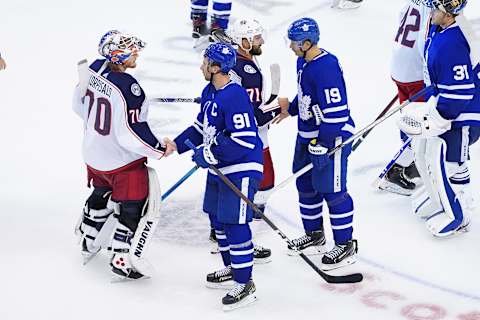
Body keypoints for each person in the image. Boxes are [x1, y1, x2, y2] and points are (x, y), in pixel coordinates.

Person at [72, 30, 175, 279]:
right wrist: (160, 148)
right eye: (131, 49)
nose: (136, 52)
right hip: (121, 163)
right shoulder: (129, 87)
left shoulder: (94, 68)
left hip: (93, 155)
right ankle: (121, 259)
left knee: (100, 193)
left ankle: (88, 236)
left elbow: (77, 105)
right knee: (134, 208)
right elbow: (131, 132)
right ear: (118, 55)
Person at [170, 43, 261, 310]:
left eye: (205, 62)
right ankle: (233, 268)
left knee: (234, 223)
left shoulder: (235, 96)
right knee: (217, 220)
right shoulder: (210, 90)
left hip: (241, 169)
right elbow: (201, 127)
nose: (201, 66)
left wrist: (212, 152)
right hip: (219, 167)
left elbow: (244, 141)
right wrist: (176, 144)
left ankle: (245, 283)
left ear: (216, 67)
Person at [275, 18, 358, 270]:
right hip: (307, 135)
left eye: (294, 41)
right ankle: (314, 235)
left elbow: (337, 111)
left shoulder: (326, 67)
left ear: (307, 43)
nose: (290, 46)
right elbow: (307, 95)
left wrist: (324, 142)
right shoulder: (302, 60)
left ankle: (345, 245)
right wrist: (291, 109)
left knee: (332, 191)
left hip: (330, 137)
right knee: (305, 185)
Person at [398, 0, 480, 237]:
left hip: (464, 114)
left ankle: (459, 213)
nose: (430, 12)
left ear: (448, 15)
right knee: (424, 153)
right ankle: (440, 199)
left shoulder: (453, 42)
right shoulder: (439, 30)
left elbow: (461, 92)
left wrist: (439, 116)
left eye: (435, 9)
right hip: (445, 105)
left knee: (446, 161)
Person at [379, 0, 433, 196]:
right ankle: (395, 171)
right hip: (416, 74)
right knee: (424, 124)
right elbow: (429, 41)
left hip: (399, 67)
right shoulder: (435, 7)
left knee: (409, 118)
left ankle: (412, 159)